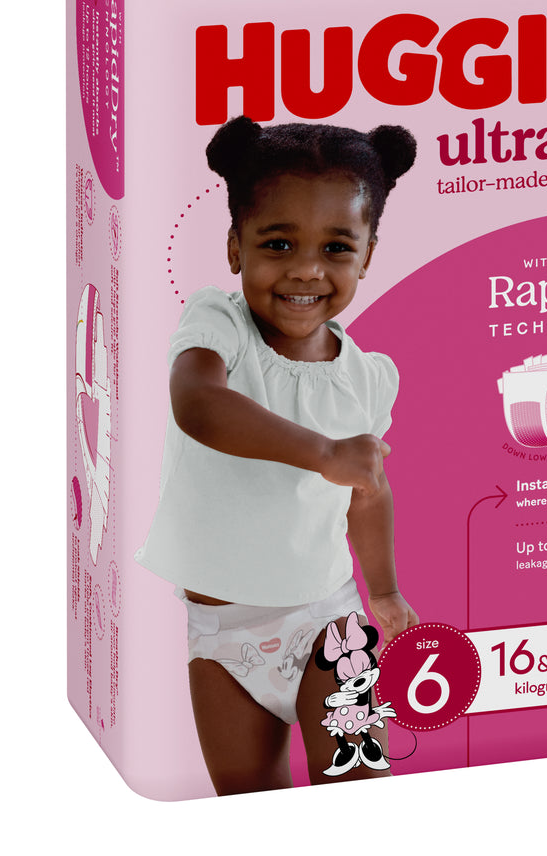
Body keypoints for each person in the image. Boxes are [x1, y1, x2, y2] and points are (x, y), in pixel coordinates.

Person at [136, 117, 419, 793]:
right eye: (279, 243)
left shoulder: (369, 376)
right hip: (220, 636)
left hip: (329, 622)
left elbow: (368, 490)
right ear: (236, 246)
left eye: (336, 247)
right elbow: (199, 405)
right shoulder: (220, 326)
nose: (306, 269)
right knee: (247, 797)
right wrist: (323, 451)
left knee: (356, 778)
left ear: (368, 255)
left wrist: (383, 589)